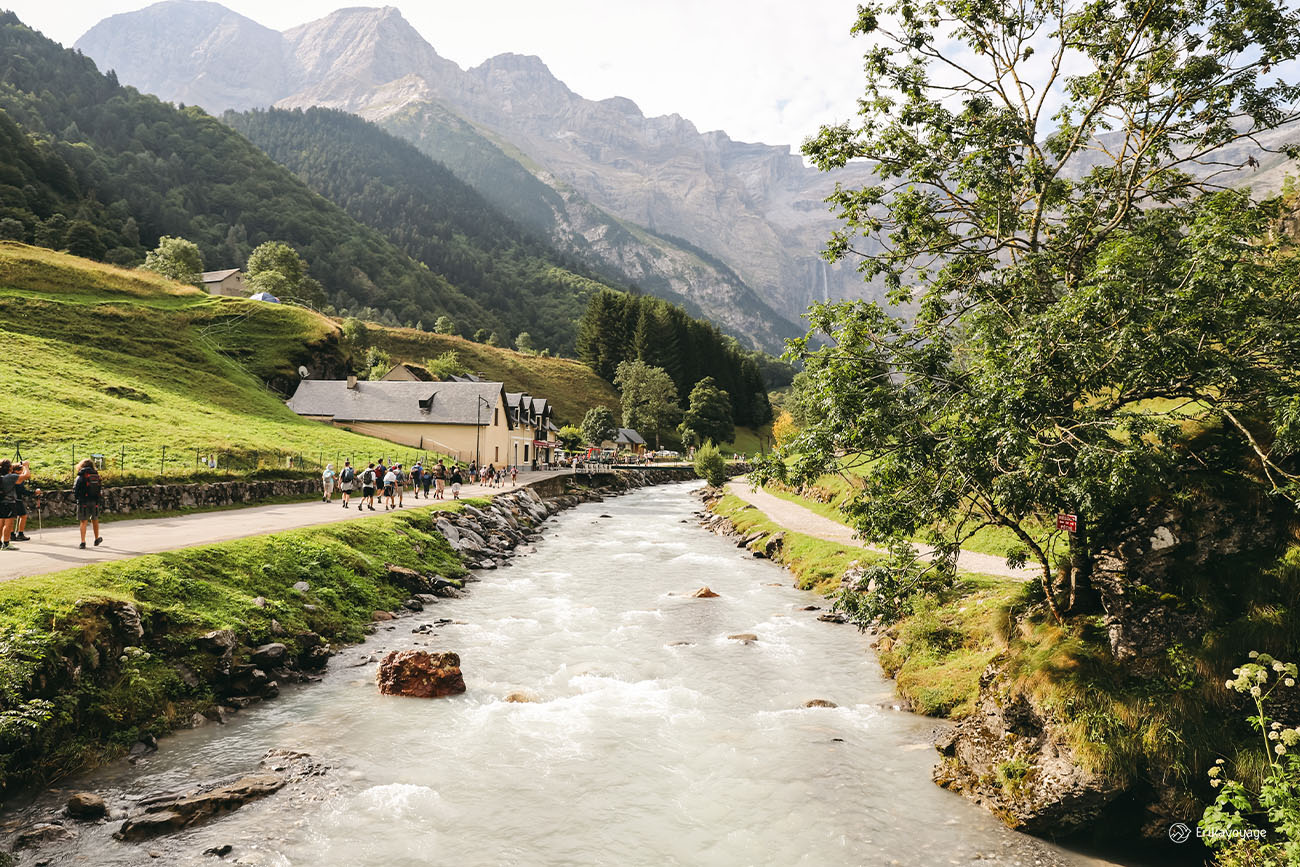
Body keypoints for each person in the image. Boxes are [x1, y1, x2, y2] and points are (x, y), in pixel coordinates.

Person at [0, 459, 31, 550]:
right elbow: (27, 475)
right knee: (8, 524)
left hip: (1, 502)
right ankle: (6, 543)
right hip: (9, 503)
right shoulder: (11, 477)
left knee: (1, 523)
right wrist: (26, 466)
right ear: (9, 468)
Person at [73, 458, 103, 549]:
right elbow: (100, 488)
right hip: (94, 501)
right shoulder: (96, 475)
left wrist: (78, 498)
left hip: (83, 501)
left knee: (83, 521)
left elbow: (75, 489)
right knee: (95, 519)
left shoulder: (81, 476)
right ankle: (97, 538)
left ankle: (83, 542)